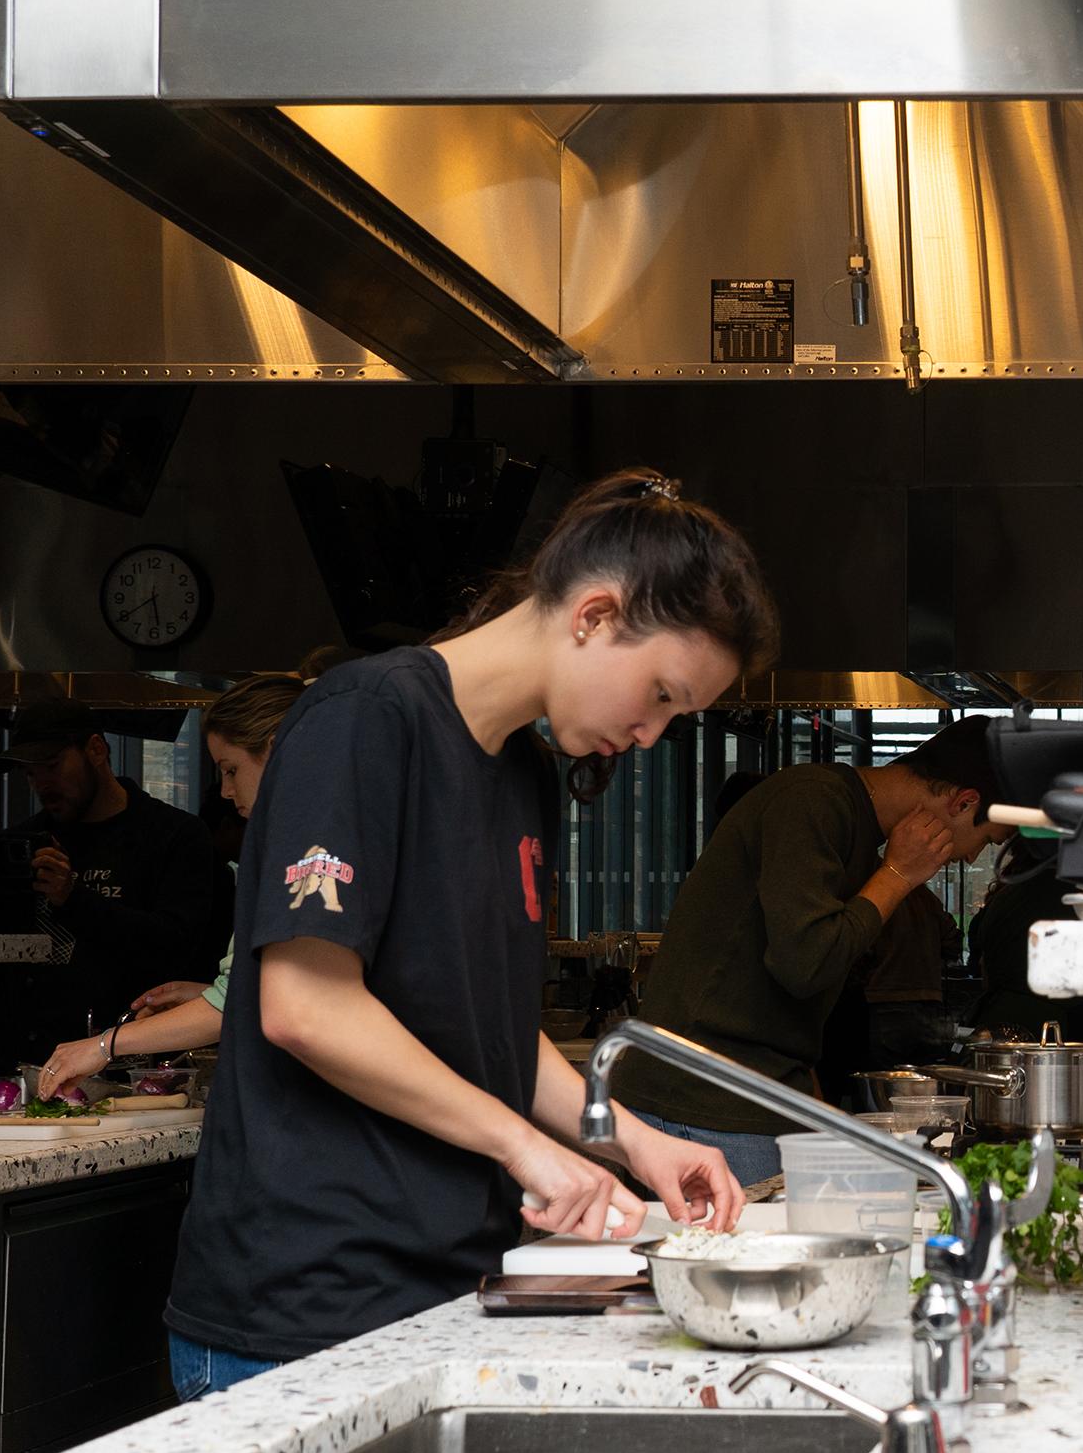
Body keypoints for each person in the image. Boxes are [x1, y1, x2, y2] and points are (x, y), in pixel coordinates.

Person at [162, 469, 769, 1399]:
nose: (650, 734)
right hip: (303, 1308)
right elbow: (303, 1007)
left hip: (440, 1286)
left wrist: (631, 1140)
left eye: (674, 720)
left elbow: (480, 1022)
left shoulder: (521, 773)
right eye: (659, 695)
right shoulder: (364, 718)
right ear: (594, 616)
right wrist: (523, 1148)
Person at [612, 716, 1013, 1181]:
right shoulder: (812, 801)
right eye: (985, 840)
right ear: (964, 802)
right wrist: (898, 875)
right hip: (705, 1101)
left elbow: (798, 995)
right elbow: (805, 963)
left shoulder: (851, 823)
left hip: (750, 1095)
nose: (971, 857)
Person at [31, 675, 306, 1099]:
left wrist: (105, 1045)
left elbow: (243, 999)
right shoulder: (303, 842)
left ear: (276, 749)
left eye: (232, 770)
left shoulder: (301, 853)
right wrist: (206, 993)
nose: (228, 791)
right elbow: (267, 991)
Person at [0, 699, 234, 1071]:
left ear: (96, 749)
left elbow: (176, 948)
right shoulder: (22, 842)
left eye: (51, 766)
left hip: (123, 1062)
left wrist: (73, 898)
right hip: (16, 1062)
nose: (42, 784)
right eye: (30, 774)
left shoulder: (172, 835)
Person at [965, 833, 1083, 1045]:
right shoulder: (1081, 896)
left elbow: (984, 966)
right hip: (1064, 1035)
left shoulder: (1008, 894)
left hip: (1003, 1019)